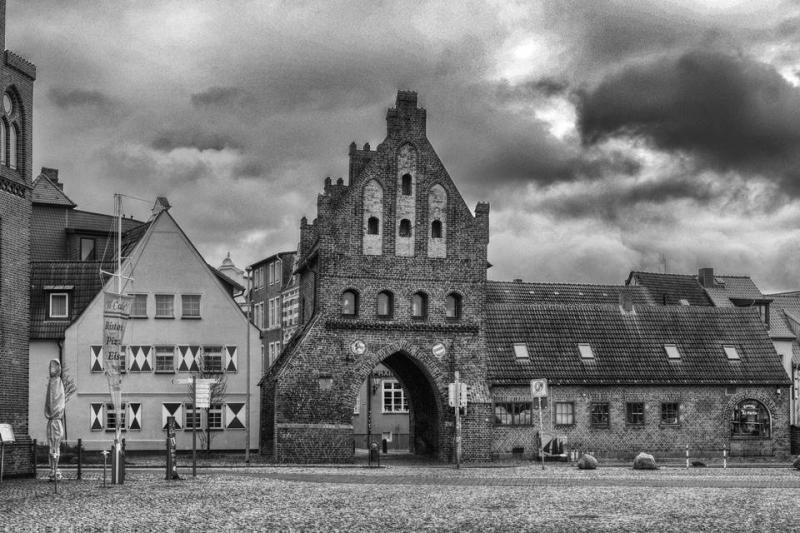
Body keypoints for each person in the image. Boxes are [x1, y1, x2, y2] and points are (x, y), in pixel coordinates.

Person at [44, 359, 65, 481]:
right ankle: (53, 469)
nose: (51, 370)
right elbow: (51, 401)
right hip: (54, 420)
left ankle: (54, 469)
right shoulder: (54, 382)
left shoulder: (56, 382)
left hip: (55, 421)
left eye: (53, 367)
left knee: (55, 446)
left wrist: (53, 413)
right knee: (53, 446)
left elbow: (54, 402)